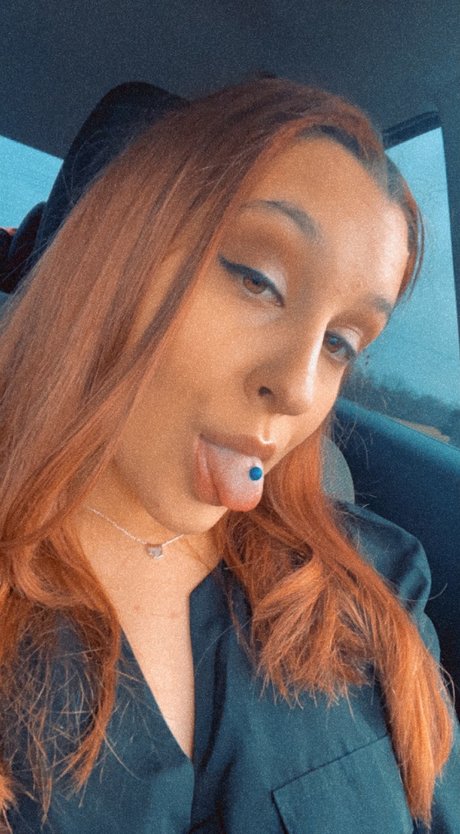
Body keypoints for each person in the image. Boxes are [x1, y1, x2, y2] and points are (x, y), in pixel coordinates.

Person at [0, 77, 458, 834]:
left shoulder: (376, 582)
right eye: (257, 280)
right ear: (120, 250)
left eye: (341, 343)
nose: (298, 388)